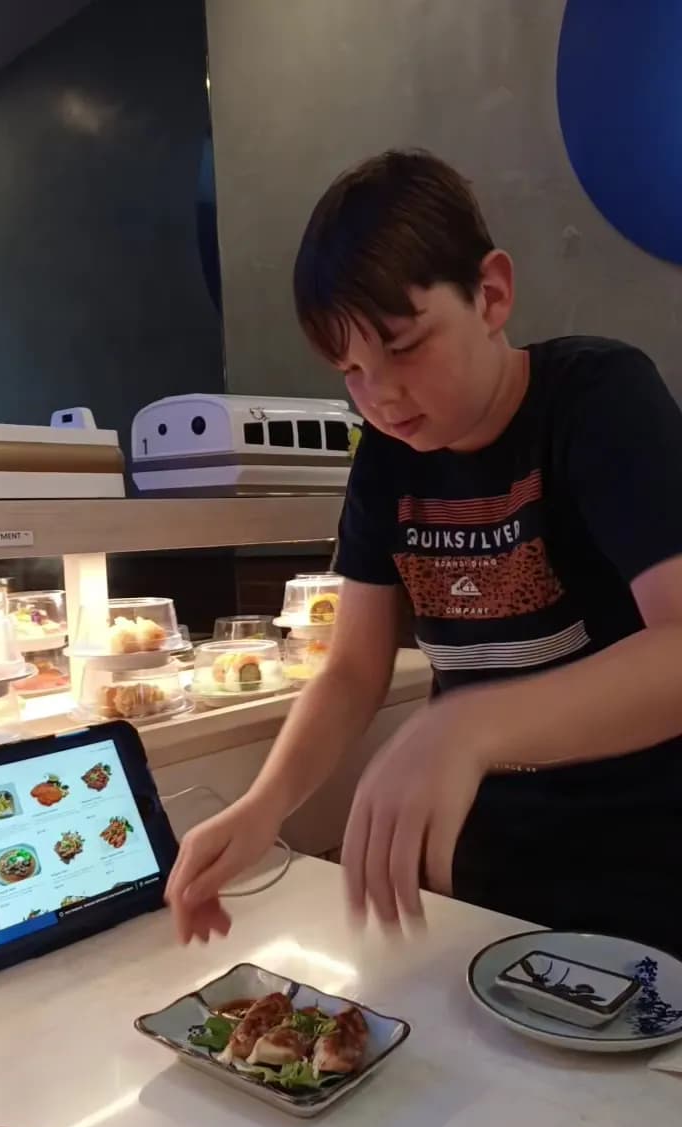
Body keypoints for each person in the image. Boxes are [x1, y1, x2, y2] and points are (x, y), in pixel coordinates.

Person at [167, 149, 682, 956]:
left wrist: (465, 729)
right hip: (481, 872)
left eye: (403, 348)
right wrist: (264, 808)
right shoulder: (386, 456)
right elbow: (351, 671)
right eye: (351, 371)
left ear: (492, 294)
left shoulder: (597, 397)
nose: (382, 396)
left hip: (643, 859)